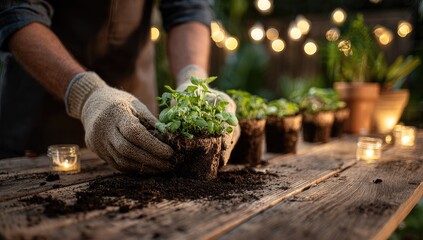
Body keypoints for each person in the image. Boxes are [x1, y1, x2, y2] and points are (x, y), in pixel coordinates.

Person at [0, 0, 239, 173]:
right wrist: (87, 94)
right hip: (41, 120)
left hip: (136, 115)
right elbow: (18, 11)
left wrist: (192, 78)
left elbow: (188, 7)